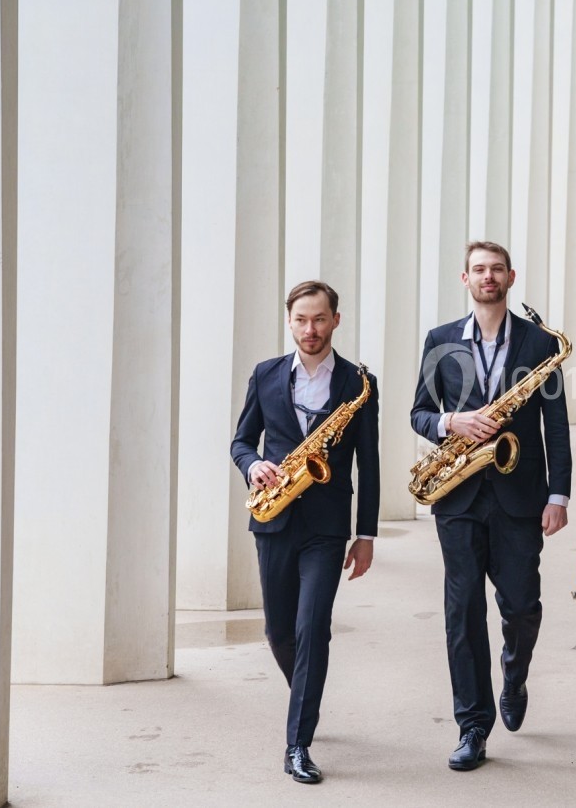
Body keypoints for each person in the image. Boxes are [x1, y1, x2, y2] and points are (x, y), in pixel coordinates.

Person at [410, 241, 572, 771]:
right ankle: (473, 725)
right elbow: (418, 412)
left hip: (520, 494)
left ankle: (515, 672)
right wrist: (450, 423)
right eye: (478, 269)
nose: (488, 277)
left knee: (522, 606)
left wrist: (559, 494)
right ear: (465, 277)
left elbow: (557, 425)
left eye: (496, 269)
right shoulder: (439, 341)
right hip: (458, 496)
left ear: (510, 277)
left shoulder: (541, 342)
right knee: (462, 612)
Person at [230, 280, 380, 785]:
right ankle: (306, 696)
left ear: (336, 320)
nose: (310, 330)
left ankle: (298, 743)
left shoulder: (359, 384)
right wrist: (253, 468)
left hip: (327, 526)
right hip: (273, 518)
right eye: (301, 320)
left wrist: (366, 535)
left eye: (319, 319)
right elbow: (241, 441)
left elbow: (370, 464)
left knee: (312, 626)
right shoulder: (266, 374)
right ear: (289, 321)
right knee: (278, 631)